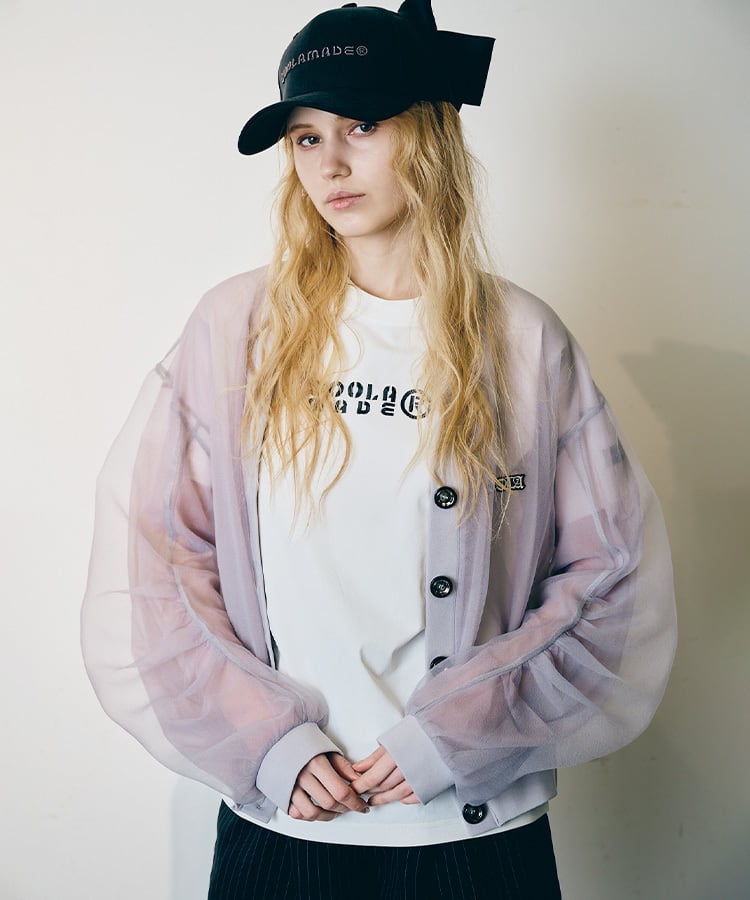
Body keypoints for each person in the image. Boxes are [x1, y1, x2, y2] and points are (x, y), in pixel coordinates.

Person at [81, 1, 677, 897]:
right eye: (306, 137)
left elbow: (609, 571)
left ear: (428, 136)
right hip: (285, 823)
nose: (330, 162)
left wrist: (454, 734)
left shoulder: (522, 340)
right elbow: (165, 562)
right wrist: (270, 742)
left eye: (361, 125)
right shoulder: (237, 328)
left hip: (475, 833)